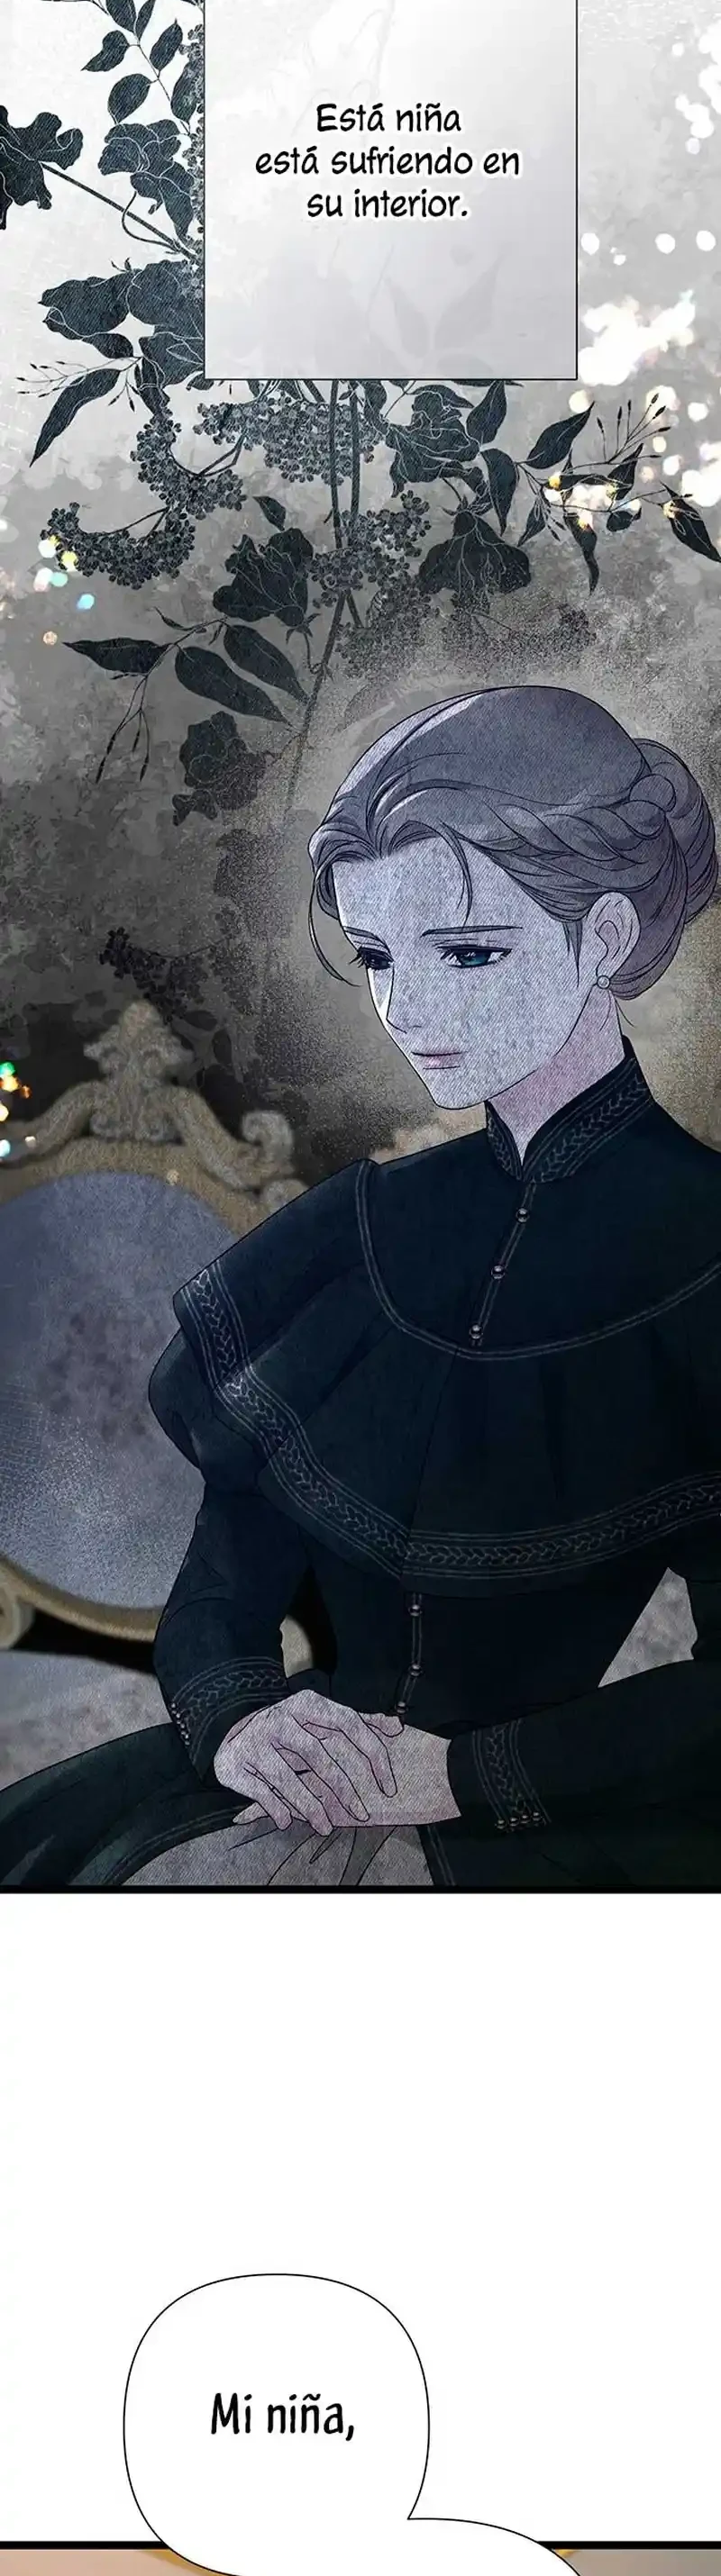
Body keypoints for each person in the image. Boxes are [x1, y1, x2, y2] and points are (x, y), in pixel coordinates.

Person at [3, 680, 720, 1889]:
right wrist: (242, 1717)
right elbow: (221, 1591)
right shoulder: (359, 1231)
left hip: (578, 1818)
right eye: (379, 956)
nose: (406, 1006)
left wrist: (464, 1776)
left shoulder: (704, 1247)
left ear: (602, 937)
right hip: (294, 1782)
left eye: (470, 951)